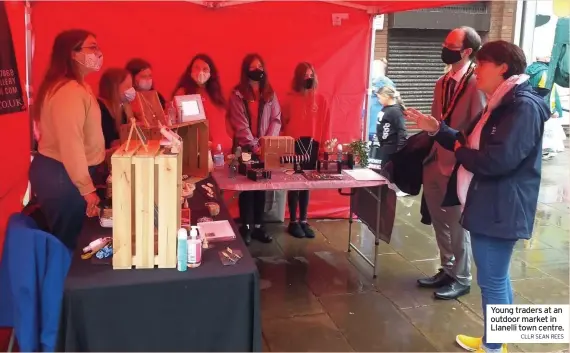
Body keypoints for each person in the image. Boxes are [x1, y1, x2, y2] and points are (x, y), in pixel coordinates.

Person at [406, 40, 549, 353]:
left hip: (500, 207)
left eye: (482, 64)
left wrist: (460, 151)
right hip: (489, 202)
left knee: (492, 280)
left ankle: (494, 347)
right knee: (497, 277)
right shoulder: (500, 101)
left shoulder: (521, 106)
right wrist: (437, 129)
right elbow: (467, 140)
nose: (476, 72)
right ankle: (496, 340)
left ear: (502, 67)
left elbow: (497, 160)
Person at [417, 26, 486, 300]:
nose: (444, 48)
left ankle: (463, 276)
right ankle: (446, 268)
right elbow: (436, 122)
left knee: (457, 225)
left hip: (457, 165)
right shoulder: (441, 82)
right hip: (433, 161)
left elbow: (476, 128)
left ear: (467, 51)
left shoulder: (475, 83)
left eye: (450, 44)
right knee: (438, 221)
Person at [29, 29, 107, 250]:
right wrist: (87, 188)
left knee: (68, 241)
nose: (98, 53)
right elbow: (70, 143)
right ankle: (61, 285)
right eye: (92, 47)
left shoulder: (76, 86)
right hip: (64, 175)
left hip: (66, 173)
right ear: (72, 54)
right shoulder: (69, 91)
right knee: (67, 246)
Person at [227, 54, 282, 245]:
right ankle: (246, 227)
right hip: (246, 148)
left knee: (262, 187)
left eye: (260, 65)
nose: (257, 69)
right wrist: (253, 144)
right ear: (245, 70)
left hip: (265, 149)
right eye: (253, 66)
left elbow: (276, 119)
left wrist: (266, 143)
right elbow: (239, 123)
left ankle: (259, 226)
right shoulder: (237, 94)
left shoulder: (270, 93)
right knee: (247, 188)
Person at [282, 62, 331, 239]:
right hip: (294, 146)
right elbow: (283, 124)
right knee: (294, 184)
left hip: (313, 145)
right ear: (298, 78)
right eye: (305, 76)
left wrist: (324, 148)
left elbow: (326, 124)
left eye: (311, 75)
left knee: (307, 185)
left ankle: (304, 220)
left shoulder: (321, 99)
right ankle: (293, 221)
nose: (308, 78)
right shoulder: (289, 99)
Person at [172, 54, 232, 153]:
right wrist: (203, 144)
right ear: (190, 70)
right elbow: (186, 126)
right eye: (196, 68)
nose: (200, 72)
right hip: (201, 154)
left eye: (205, 69)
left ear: (211, 73)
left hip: (224, 153)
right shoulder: (183, 93)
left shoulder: (215, 94)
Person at [97, 68, 136, 149]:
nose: (131, 90)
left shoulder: (123, 108)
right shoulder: (100, 109)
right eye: (127, 86)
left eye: (131, 86)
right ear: (114, 88)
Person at [375, 85, 407, 167]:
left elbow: (401, 130)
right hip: (385, 146)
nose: (379, 100)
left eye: (380, 97)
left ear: (386, 96)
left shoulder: (395, 111)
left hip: (392, 147)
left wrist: (400, 149)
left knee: (387, 172)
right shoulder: (386, 109)